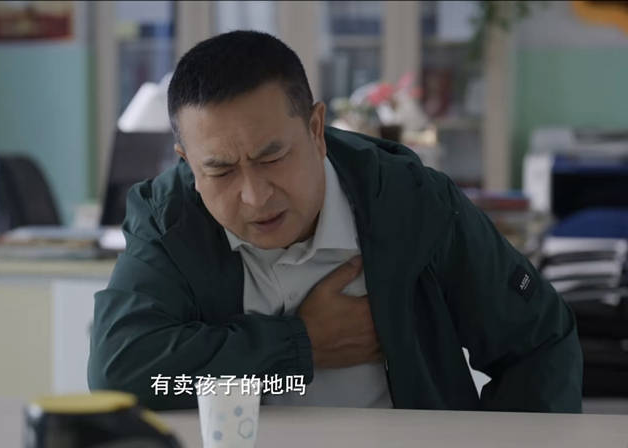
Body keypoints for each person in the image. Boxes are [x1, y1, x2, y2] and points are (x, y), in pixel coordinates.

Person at [88, 30, 582, 412]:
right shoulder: (170, 219)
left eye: (272, 157)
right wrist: (300, 348)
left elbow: (538, 341)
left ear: (316, 128)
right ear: (188, 163)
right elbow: (125, 375)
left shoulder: (410, 201)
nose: (255, 196)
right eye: (219, 170)